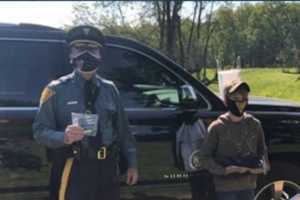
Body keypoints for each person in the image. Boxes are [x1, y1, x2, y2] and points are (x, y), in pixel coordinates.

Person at [33, 25, 138, 200]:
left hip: (108, 169)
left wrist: (132, 164)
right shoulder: (55, 90)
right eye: (79, 49)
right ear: (70, 55)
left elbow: (124, 131)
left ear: (100, 55)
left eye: (92, 49)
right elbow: (39, 131)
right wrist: (64, 137)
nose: (86, 54)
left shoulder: (110, 89)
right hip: (73, 168)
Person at [200, 80, 268, 200]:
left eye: (245, 96)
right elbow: (204, 157)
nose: (241, 101)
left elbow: (262, 151)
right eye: (236, 96)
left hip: (248, 185)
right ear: (227, 100)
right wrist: (224, 170)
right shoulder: (217, 127)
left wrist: (258, 168)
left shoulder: (254, 124)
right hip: (225, 187)